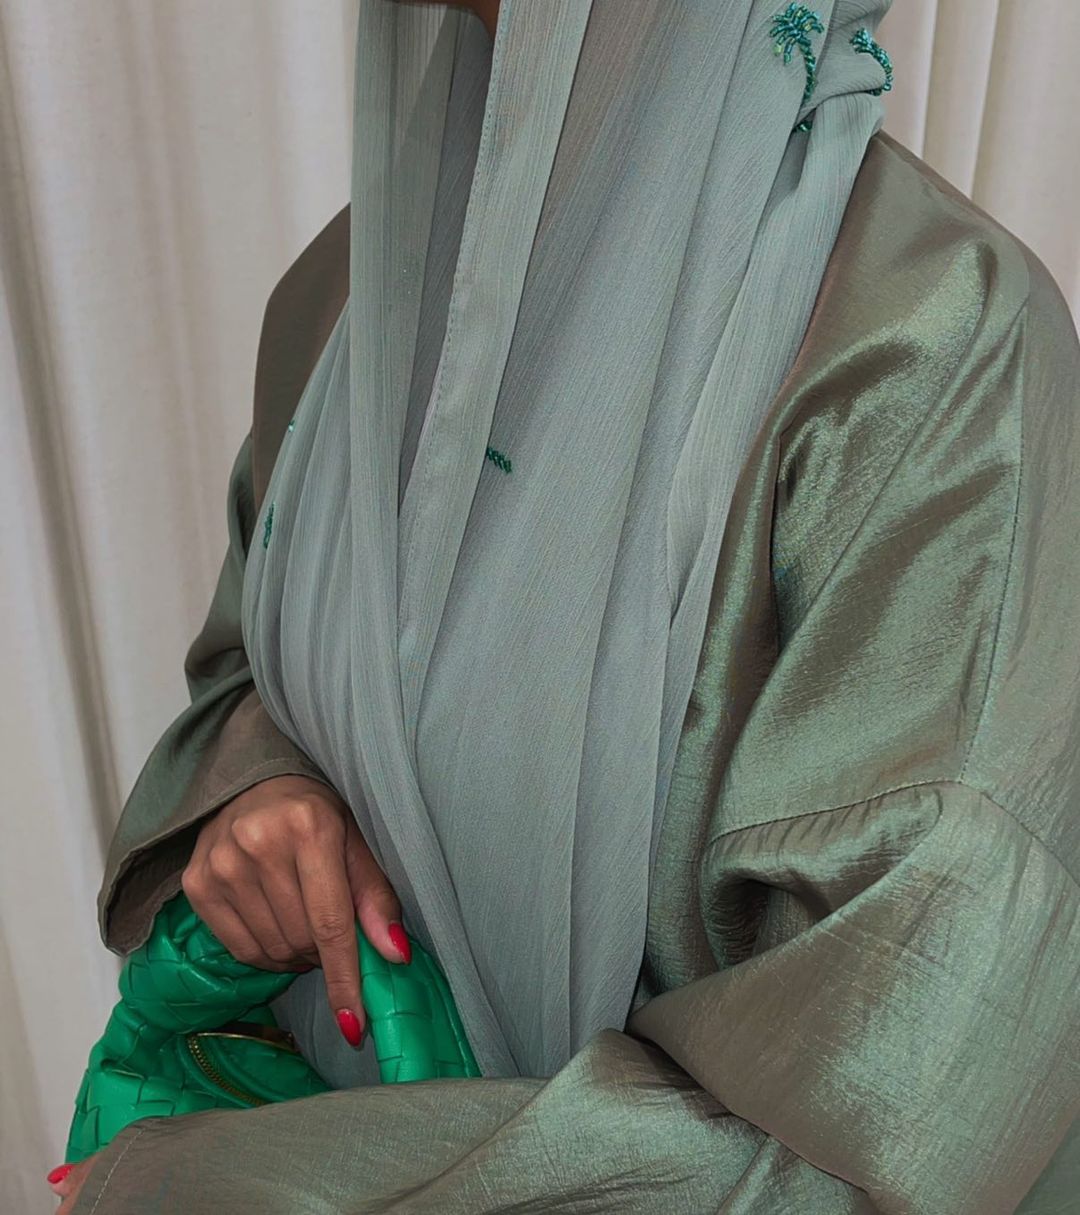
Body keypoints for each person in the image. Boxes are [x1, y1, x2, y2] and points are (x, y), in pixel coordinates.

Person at [51, 0, 1079, 1211]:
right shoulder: (353, 296)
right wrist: (263, 792)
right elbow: (249, 673)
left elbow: (875, 1131)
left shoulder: (931, 355)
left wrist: (202, 1193)